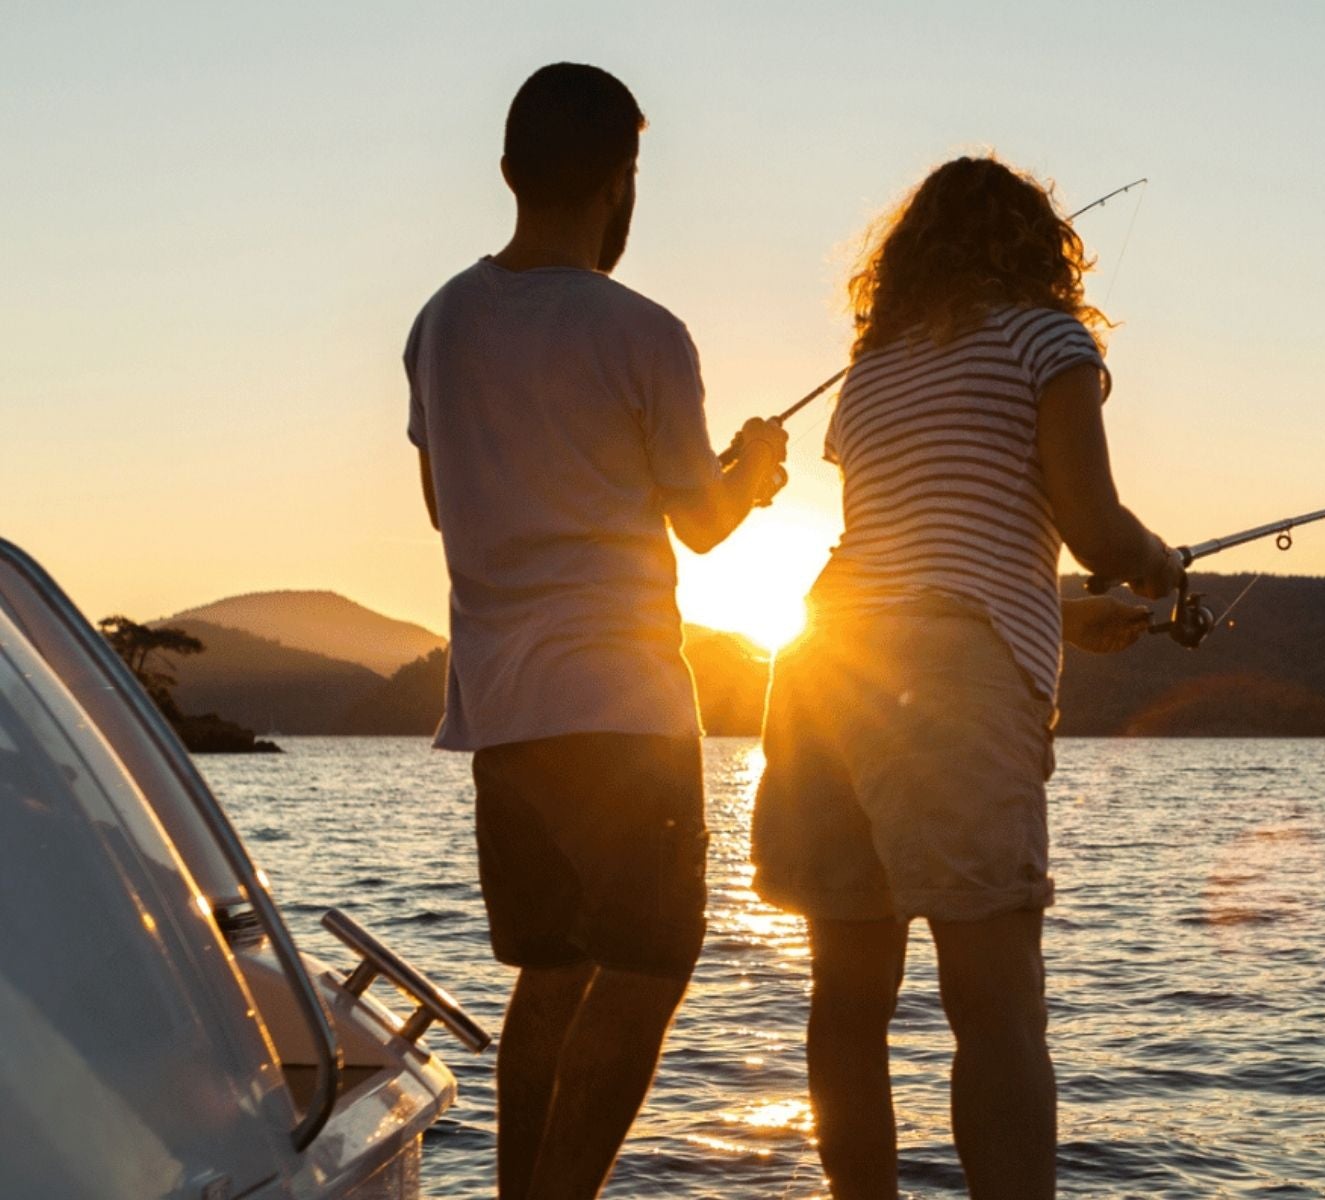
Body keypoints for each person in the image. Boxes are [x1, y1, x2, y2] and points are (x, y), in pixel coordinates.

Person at [749, 155, 1183, 1199]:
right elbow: (1087, 525)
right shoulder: (1048, 338)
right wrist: (1161, 566)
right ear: (1040, 251)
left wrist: (1064, 614)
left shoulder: (874, 373)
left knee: (847, 1001)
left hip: (822, 672)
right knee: (996, 1004)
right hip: (948, 679)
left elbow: (926, 550)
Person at [403, 63, 789, 1200]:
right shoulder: (645, 333)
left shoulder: (440, 322)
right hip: (621, 710)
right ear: (624, 180)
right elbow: (708, 526)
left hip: (503, 718)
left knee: (553, 967)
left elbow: (445, 506)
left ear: (511, 170)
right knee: (650, 963)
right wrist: (755, 474)